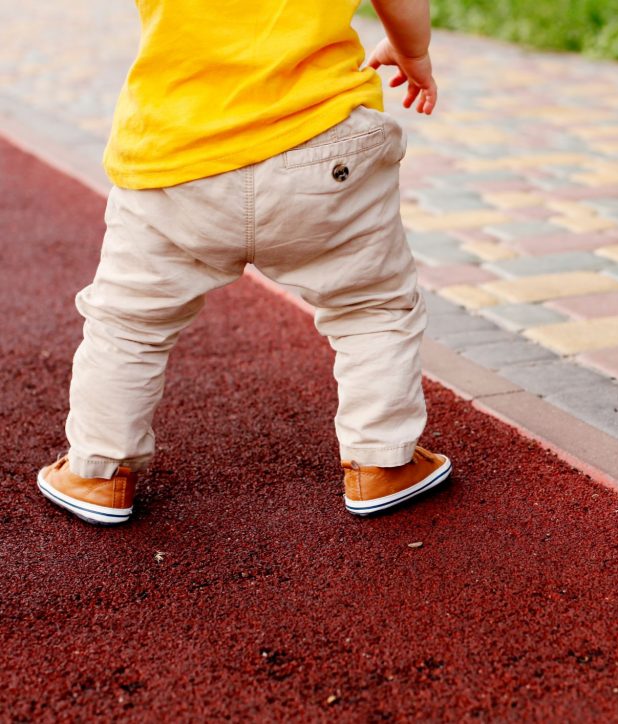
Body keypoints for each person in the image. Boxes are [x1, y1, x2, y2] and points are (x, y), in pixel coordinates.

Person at [36, 0, 451, 524]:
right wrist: (412, 51)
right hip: (320, 145)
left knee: (129, 322)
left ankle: (97, 471)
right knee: (371, 307)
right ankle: (383, 461)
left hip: (176, 157)